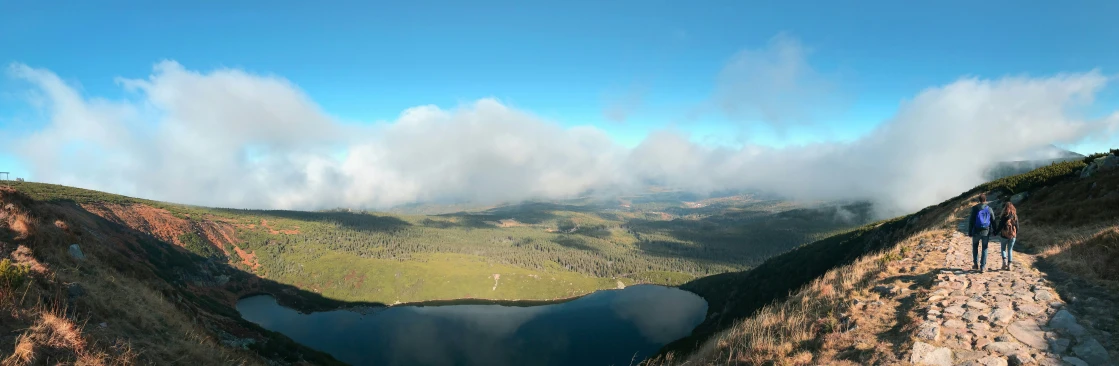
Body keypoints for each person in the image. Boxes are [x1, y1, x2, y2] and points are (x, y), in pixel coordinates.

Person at [966, 193, 995, 272]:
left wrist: (970, 232)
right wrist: (994, 231)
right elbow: (993, 220)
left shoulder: (975, 208)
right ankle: (982, 266)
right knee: (984, 248)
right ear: (985, 200)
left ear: (979, 200)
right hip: (986, 231)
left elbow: (971, 221)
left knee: (975, 247)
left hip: (976, 231)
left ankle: (975, 264)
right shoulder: (989, 209)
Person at [995, 202, 1020, 270]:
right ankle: (1009, 265)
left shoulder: (1004, 216)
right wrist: (1015, 233)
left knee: (1003, 249)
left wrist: (996, 232)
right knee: (1010, 249)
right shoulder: (1015, 216)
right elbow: (1017, 226)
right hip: (1012, 235)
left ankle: (1004, 262)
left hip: (1004, 235)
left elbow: (1000, 226)